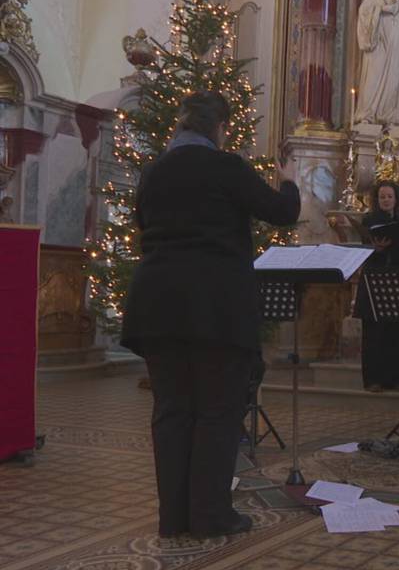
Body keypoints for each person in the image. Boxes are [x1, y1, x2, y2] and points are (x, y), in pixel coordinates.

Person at [120, 91, 300, 538]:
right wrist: (289, 180)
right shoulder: (226, 166)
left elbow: (143, 223)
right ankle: (210, 515)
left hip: (156, 303)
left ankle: (173, 517)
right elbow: (283, 213)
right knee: (218, 411)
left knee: (171, 410)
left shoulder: (153, 172)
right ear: (219, 128)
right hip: (215, 306)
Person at [355, 181, 399, 392]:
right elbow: (363, 249)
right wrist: (375, 249)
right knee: (374, 332)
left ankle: (396, 378)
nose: (386, 200)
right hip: (374, 278)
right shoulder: (369, 220)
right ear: (376, 200)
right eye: (382, 197)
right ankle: (373, 379)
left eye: (389, 196)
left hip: (397, 277)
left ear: (396, 199)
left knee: (396, 330)